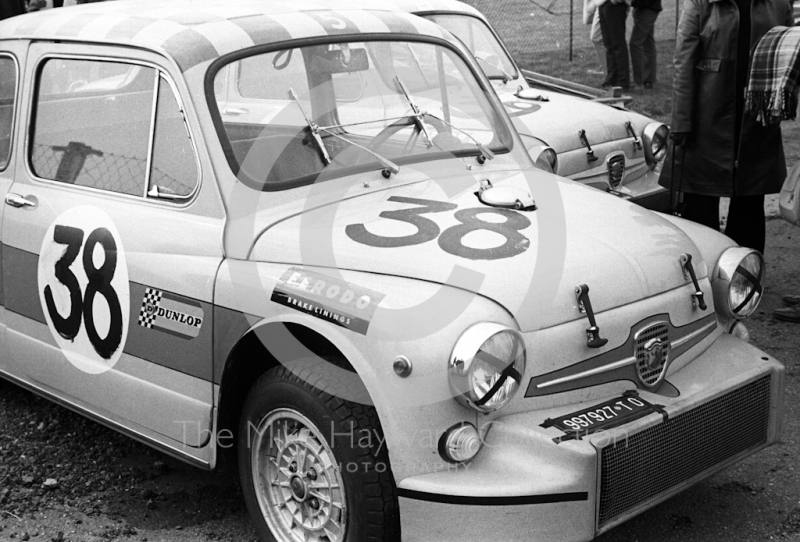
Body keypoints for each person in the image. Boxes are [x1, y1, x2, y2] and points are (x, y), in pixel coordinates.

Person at [659, 0, 794, 255]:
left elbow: (788, 53)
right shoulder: (702, 3)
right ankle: (700, 277)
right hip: (706, 118)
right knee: (699, 205)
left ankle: (746, 280)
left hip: (756, 120)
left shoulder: (777, 3)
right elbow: (684, 62)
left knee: (749, 205)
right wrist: (681, 121)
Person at [599, 0, 632, 90]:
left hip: (615, 5)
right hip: (603, 4)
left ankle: (622, 81)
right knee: (609, 45)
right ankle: (612, 78)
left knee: (618, 44)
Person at [629, 0, 662, 89]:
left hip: (647, 8)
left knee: (635, 43)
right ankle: (648, 79)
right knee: (648, 42)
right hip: (645, 7)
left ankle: (639, 81)